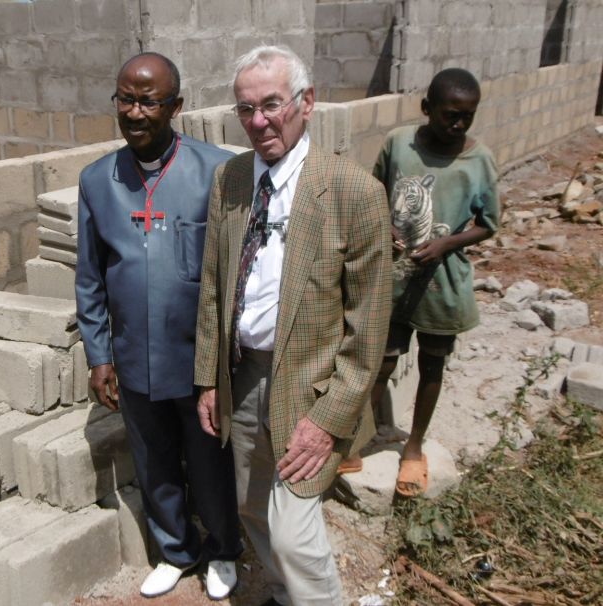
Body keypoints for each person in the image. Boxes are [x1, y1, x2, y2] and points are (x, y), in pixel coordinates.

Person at [195, 45, 392, 606]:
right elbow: (213, 285)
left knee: (294, 528)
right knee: (252, 503)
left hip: (310, 385)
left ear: (307, 103)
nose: (259, 122)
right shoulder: (231, 179)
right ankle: (283, 595)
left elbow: (368, 325)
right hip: (243, 376)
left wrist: (329, 419)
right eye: (246, 109)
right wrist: (209, 378)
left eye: (272, 104)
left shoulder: (352, 191)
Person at [75, 52, 242, 600]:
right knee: (152, 458)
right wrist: (99, 355)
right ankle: (175, 549)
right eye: (126, 98)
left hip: (198, 359)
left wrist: (225, 360)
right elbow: (91, 277)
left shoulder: (217, 170)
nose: (136, 111)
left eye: (149, 101)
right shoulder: (98, 180)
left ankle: (222, 548)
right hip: (133, 354)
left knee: (209, 459)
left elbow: (235, 269)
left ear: (176, 106)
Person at [342, 68, 500, 497]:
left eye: (467, 117)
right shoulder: (399, 145)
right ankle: (358, 441)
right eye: (450, 115)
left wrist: (446, 242)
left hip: (442, 284)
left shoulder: (478, 160)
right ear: (427, 108)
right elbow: (375, 191)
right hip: (394, 281)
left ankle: (413, 448)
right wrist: (384, 225)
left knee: (432, 364)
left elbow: (488, 224)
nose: (459, 125)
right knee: (382, 362)